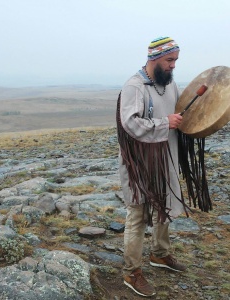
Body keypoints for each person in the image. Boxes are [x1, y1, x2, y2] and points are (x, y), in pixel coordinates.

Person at [116, 36, 187, 297]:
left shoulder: (170, 85)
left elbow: (179, 117)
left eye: (176, 61)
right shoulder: (135, 87)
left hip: (165, 158)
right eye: (169, 60)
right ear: (154, 59)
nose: (173, 66)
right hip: (139, 164)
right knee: (137, 214)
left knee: (164, 207)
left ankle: (160, 254)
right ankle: (131, 271)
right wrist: (164, 123)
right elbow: (131, 124)